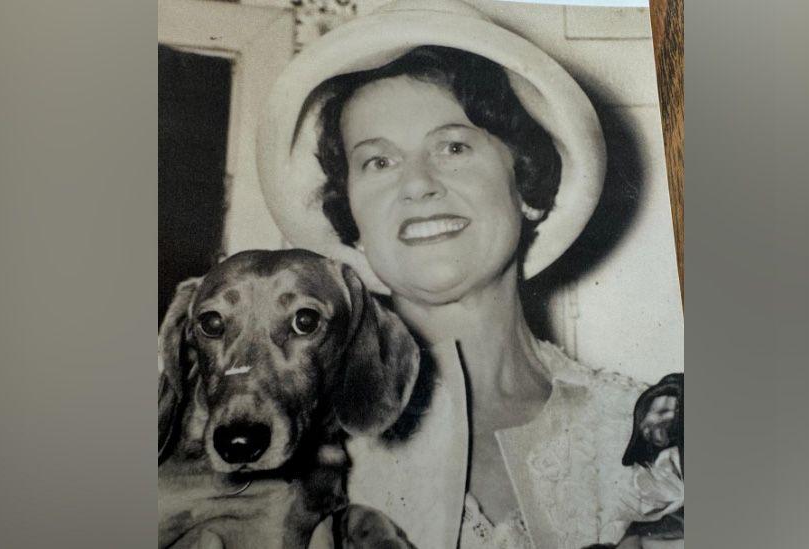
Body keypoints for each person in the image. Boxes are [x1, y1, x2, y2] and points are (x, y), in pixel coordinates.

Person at [257, 1, 684, 547]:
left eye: (453, 146)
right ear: (354, 219)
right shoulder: (287, 439)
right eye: (378, 162)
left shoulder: (650, 434)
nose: (416, 184)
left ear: (527, 184)